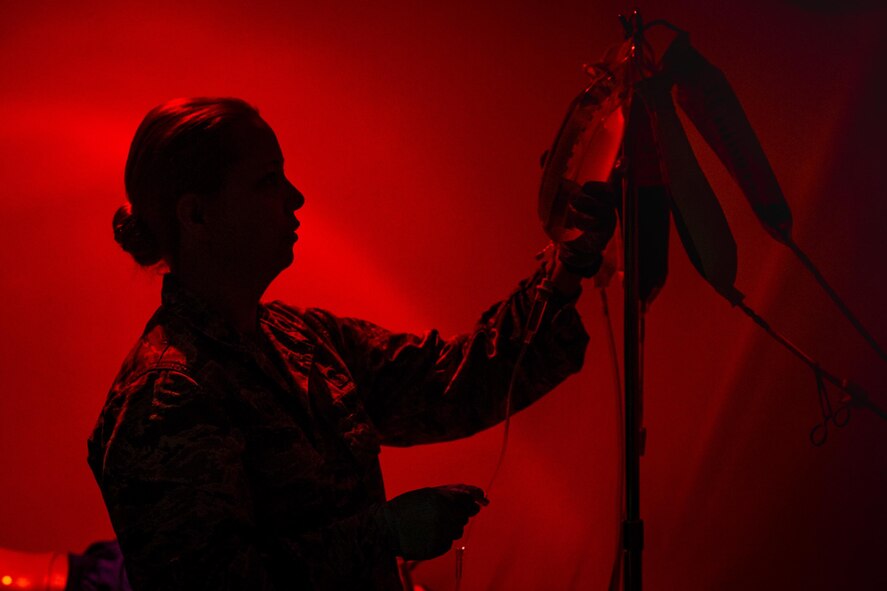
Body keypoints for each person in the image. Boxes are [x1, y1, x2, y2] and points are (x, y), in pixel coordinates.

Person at [87, 97, 616, 590]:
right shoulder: (165, 396)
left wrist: (565, 266)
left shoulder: (301, 339)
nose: (296, 198)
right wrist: (381, 535)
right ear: (196, 215)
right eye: (268, 182)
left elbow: (451, 384)